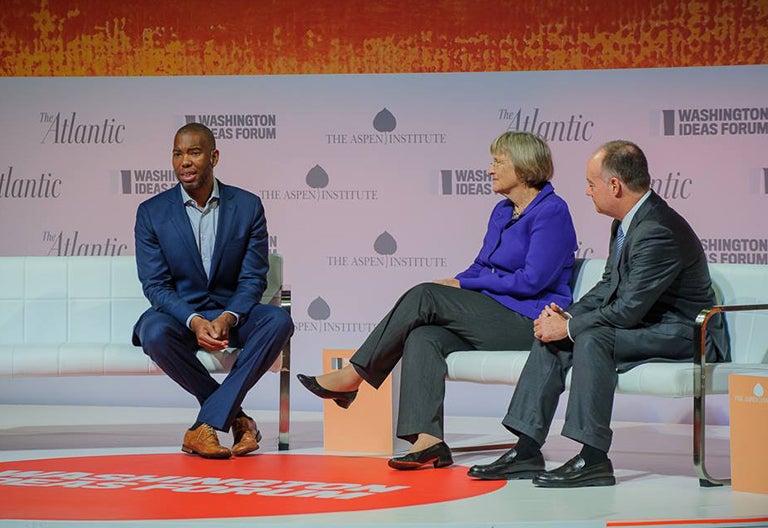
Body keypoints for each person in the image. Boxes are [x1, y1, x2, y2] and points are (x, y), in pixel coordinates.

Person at [297, 131, 578, 470]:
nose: (489, 170)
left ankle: (355, 376)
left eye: (497, 162)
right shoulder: (502, 212)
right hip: (492, 315)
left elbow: (533, 280)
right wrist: (459, 281)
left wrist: (463, 284)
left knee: (425, 295)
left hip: (529, 320)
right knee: (423, 336)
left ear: (523, 166)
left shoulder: (552, 211)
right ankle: (428, 440)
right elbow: (480, 265)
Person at [467, 140, 730, 487]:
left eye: (592, 184)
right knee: (556, 337)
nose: (587, 192)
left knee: (591, 337)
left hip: (686, 332)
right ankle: (527, 449)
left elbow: (628, 309)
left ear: (615, 186)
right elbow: (609, 285)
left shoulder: (657, 230)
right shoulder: (626, 223)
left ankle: (593, 458)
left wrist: (571, 326)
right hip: (650, 325)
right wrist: (562, 318)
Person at [132, 123, 294, 459]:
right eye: (178, 154)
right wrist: (192, 320)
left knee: (278, 321)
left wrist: (228, 316)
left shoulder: (248, 206)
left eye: (194, 152)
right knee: (153, 331)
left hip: (231, 314)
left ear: (214, 156)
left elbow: (253, 278)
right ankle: (236, 420)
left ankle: (203, 427)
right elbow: (156, 285)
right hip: (182, 316)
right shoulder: (151, 212)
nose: (184, 162)